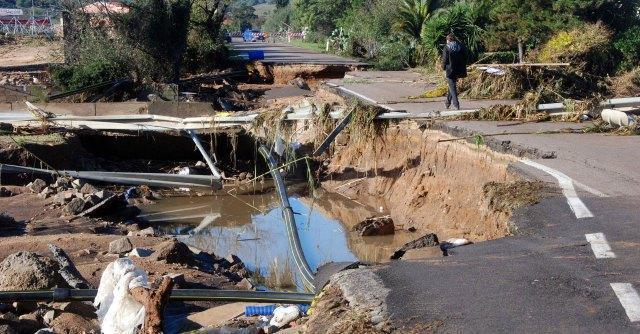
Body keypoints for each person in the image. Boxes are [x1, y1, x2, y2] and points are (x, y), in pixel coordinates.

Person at [442, 33, 467, 110]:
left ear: (448, 40)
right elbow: (465, 56)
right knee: (451, 85)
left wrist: (443, 68)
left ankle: (456, 104)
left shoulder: (447, 47)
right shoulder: (460, 46)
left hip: (450, 70)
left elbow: (445, 59)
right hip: (459, 69)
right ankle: (447, 103)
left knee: (452, 86)